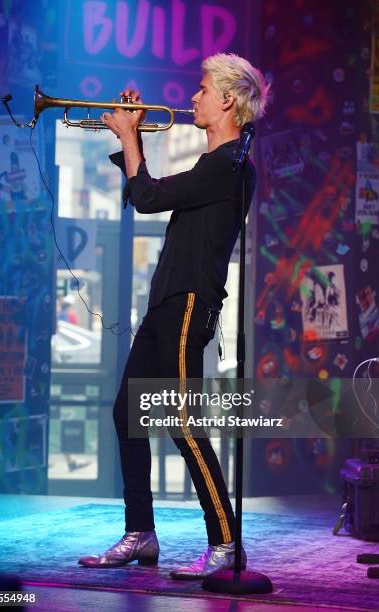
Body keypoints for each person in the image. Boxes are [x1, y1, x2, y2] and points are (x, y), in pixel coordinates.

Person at [78, 53, 269, 579]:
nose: (193, 98)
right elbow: (151, 192)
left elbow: (146, 198)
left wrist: (131, 139)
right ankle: (141, 532)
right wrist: (130, 142)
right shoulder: (215, 166)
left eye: (203, 89)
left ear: (228, 100)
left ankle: (226, 543)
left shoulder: (231, 165)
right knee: (126, 413)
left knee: (183, 423)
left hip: (189, 302)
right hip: (167, 301)